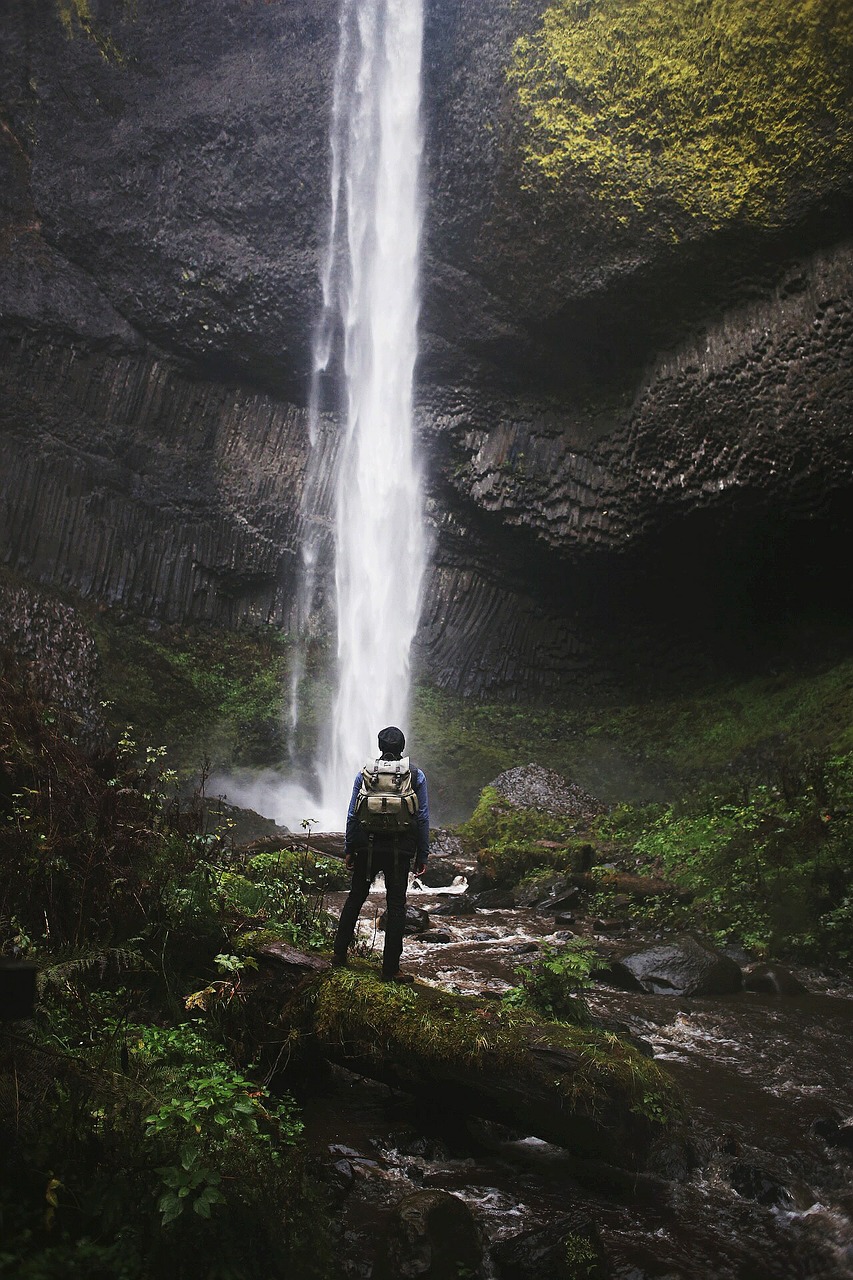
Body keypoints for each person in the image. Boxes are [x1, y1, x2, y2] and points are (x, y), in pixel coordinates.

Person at [332, 726, 429, 982]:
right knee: (396, 906)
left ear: (379, 746)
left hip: (368, 846)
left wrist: (349, 848)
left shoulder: (365, 774)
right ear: (402, 747)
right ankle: (390, 969)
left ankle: (339, 955)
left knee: (355, 898)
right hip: (400, 849)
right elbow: (422, 817)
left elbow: (353, 814)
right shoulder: (415, 775)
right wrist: (423, 854)